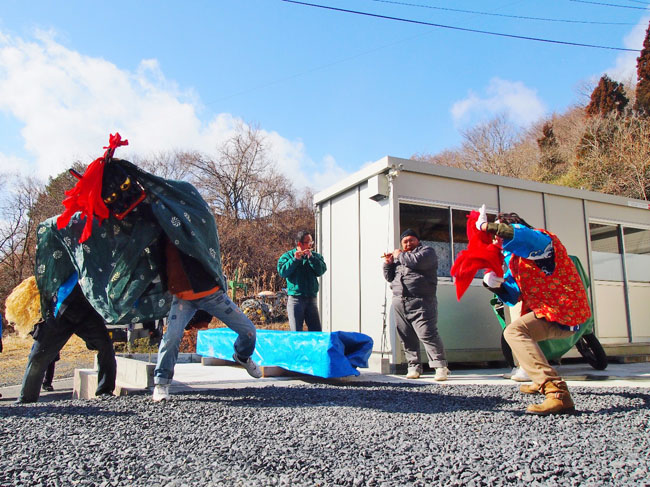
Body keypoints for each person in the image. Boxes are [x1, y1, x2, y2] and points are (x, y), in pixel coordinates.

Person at [35, 134, 261, 403]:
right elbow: (125, 220)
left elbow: (189, 206)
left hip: (211, 292)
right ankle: (161, 383)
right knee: (171, 340)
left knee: (249, 331)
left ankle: (242, 356)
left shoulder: (194, 226)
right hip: (182, 296)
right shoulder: (155, 231)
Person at [476, 205, 591, 415]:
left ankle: (556, 392)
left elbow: (522, 236)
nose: (496, 240)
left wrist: (485, 226)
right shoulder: (516, 260)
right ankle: (540, 380)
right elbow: (513, 295)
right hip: (551, 312)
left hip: (565, 310)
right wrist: (495, 284)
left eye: (498, 233)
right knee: (518, 333)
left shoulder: (542, 240)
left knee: (514, 332)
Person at [14, 274, 117, 403]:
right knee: (38, 356)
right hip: (62, 309)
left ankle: (105, 390)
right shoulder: (63, 259)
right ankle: (26, 398)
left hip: (88, 309)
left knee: (105, 345)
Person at [383, 229, 449, 381]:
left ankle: (440, 366)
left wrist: (399, 255)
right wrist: (388, 264)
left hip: (421, 301)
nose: (408, 243)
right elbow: (390, 277)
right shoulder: (401, 258)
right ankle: (413, 366)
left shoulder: (427, 252)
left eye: (411, 240)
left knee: (427, 333)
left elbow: (416, 261)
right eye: (405, 241)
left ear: (418, 241)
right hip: (400, 301)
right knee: (406, 336)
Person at [277, 230, 327, 332]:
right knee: (296, 331)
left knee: (316, 331)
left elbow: (321, 270)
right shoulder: (288, 256)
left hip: (311, 299)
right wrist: (295, 260)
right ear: (300, 243)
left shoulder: (315, 256)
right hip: (295, 299)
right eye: (308, 242)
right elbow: (282, 272)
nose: (310, 245)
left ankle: (315, 348)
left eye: (311, 242)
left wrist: (311, 258)